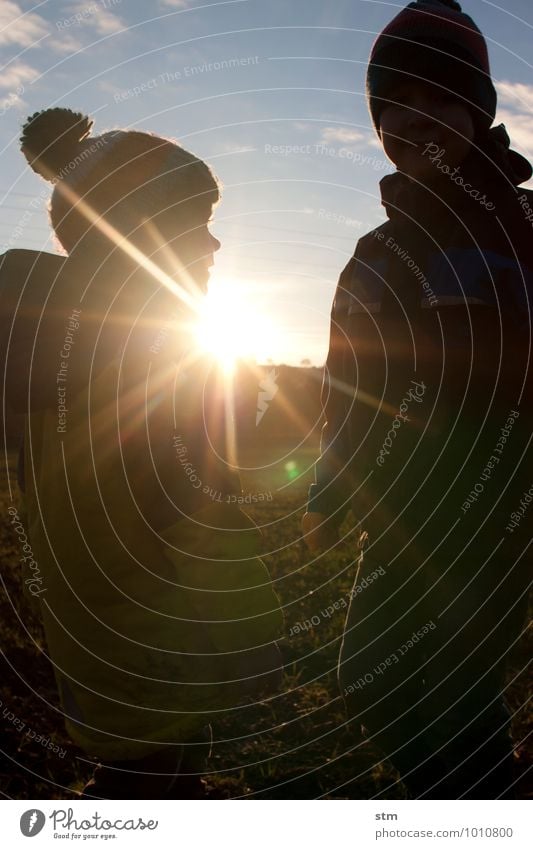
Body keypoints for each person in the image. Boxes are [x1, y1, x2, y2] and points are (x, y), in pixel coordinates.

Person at [0, 108, 283, 799]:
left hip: (84, 622)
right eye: (194, 223)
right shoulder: (155, 365)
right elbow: (196, 515)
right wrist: (256, 627)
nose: (213, 244)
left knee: (134, 768)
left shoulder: (38, 351)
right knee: (162, 775)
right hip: (165, 630)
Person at [302, 0, 532, 799]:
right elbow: (347, 383)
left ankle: (477, 805)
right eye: (394, 105)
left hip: (496, 509)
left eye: (440, 100)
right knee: (365, 669)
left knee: (455, 688)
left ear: (478, 111)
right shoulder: (371, 254)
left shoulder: (521, 229)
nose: (415, 119)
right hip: (398, 511)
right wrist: (330, 487)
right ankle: (447, 795)